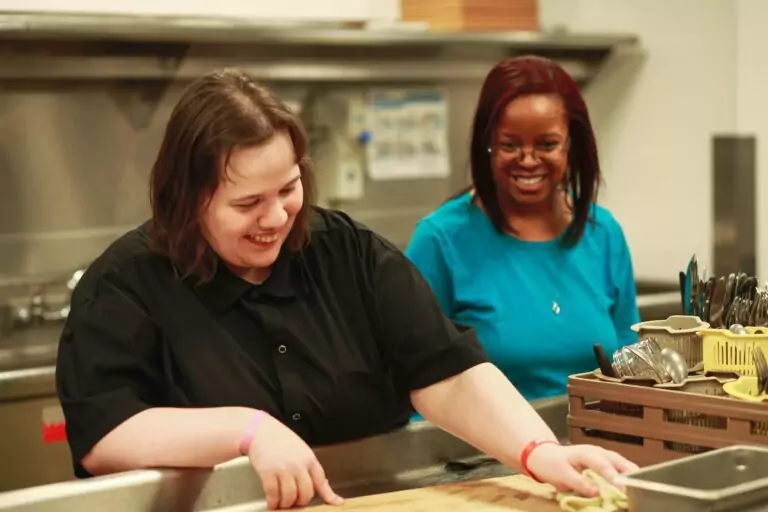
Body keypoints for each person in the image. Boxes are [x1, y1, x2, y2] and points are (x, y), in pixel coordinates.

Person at [56, 68, 637, 511]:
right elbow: (106, 433)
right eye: (247, 203)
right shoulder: (124, 285)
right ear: (189, 199)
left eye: (287, 189)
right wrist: (247, 430)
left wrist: (539, 452)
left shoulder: (347, 253)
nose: (276, 217)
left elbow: (446, 369)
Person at [406, 56, 639, 404]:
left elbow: (628, 365)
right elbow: (411, 377)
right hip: (481, 455)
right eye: (510, 145)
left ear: (571, 144)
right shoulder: (441, 241)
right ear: (487, 145)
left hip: (596, 446)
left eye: (546, 144)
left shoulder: (603, 232)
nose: (528, 160)